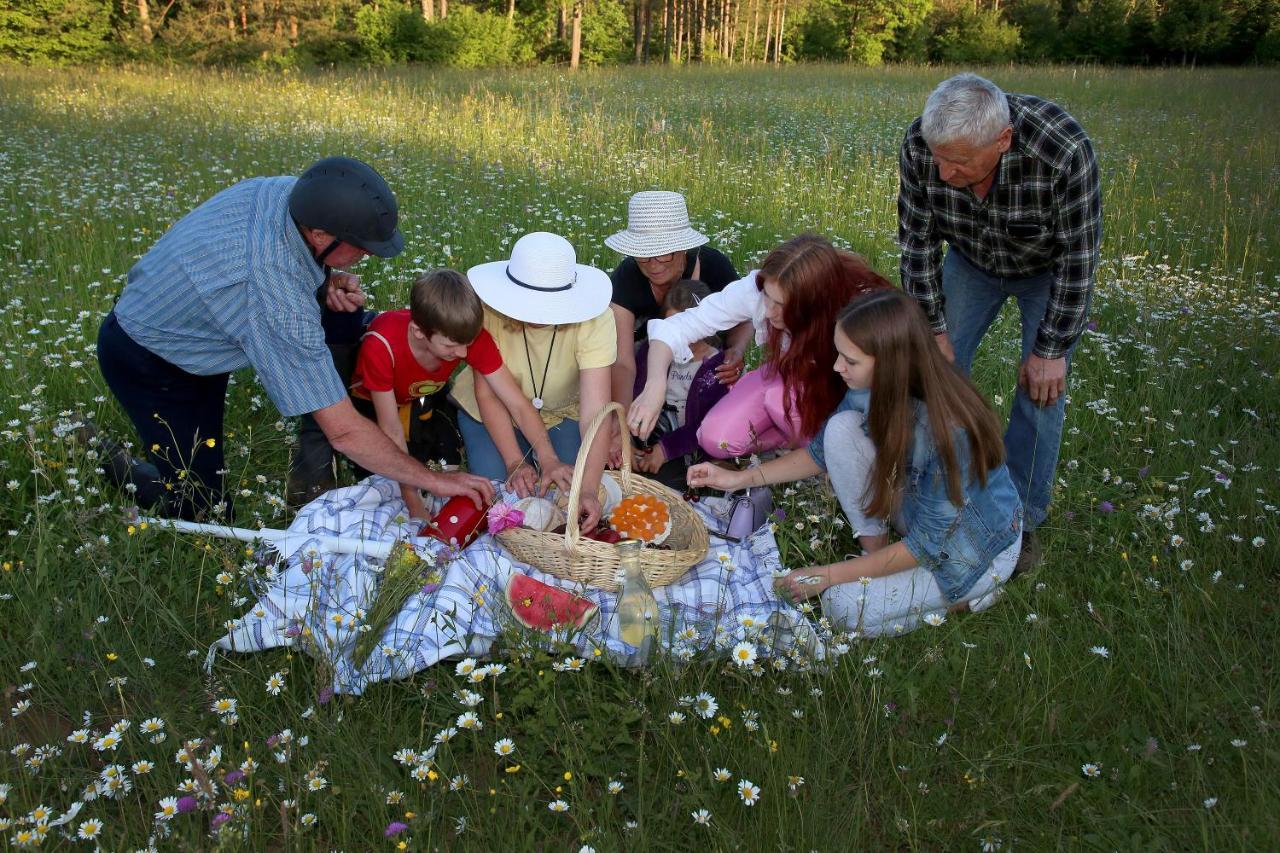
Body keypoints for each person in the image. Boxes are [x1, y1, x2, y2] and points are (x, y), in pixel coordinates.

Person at [96, 156, 493, 519]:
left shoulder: (294, 195)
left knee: (342, 318)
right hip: (150, 357)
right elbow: (344, 430)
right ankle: (111, 462)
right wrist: (435, 480)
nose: (369, 256)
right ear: (320, 234)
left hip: (191, 320)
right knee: (204, 507)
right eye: (362, 246)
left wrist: (323, 280)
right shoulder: (275, 293)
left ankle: (309, 460)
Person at [688, 289, 1023, 638]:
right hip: (918, 511)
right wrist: (738, 479)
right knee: (839, 430)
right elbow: (819, 453)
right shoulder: (874, 385)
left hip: (968, 553)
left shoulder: (949, 430)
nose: (837, 366)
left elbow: (927, 546)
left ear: (890, 362)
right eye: (839, 354)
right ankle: (875, 554)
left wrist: (827, 575)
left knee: (842, 606)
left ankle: (976, 593)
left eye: (850, 360)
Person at [898, 72, 1101, 574]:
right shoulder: (922, 146)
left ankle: (1020, 520)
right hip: (969, 262)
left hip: (1044, 270)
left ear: (1003, 139)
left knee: (1041, 391)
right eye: (938, 157)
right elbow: (917, 243)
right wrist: (934, 328)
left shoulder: (1063, 151)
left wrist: (1050, 351)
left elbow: (1079, 258)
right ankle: (931, 492)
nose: (944, 173)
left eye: (960, 161)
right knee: (930, 374)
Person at [629, 234, 891, 459]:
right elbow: (676, 327)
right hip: (789, 375)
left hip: (843, 393)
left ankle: (813, 448)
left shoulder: (857, 308)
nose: (770, 312)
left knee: (787, 405)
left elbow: (883, 386)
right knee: (715, 438)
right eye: (767, 296)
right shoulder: (761, 289)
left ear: (816, 303)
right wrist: (655, 387)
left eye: (783, 306)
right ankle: (785, 437)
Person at [347, 269, 575, 520]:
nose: (464, 355)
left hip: (423, 396)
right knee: (386, 473)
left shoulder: (464, 337)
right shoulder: (382, 345)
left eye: (468, 345)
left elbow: (517, 403)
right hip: (368, 403)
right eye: (451, 347)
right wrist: (413, 503)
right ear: (418, 331)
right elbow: (390, 427)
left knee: (447, 463)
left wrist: (547, 457)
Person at [449, 232, 616, 530]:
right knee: (501, 488)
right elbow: (488, 396)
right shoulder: (485, 311)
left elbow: (595, 414)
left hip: (562, 413)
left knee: (565, 489)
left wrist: (588, 487)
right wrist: (515, 461)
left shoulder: (597, 319)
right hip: (490, 411)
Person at [604, 191, 751, 412]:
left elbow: (745, 317)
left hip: (706, 367)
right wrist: (623, 419)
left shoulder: (714, 266)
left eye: (664, 254)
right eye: (642, 254)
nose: (653, 264)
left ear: (683, 247)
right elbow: (623, 362)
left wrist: (737, 350)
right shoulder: (625, 279)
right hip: (644, 370)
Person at [630, 280, 730, 489]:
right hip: (645, 442)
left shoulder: (718, 368)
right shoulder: (650, 352)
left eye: (685, 328)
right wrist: (629, 442)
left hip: (686, 449)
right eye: (670, 327)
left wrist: (665, 450)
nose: (677, 336)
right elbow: (635, 394)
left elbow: (706, 424)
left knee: (665, 488)